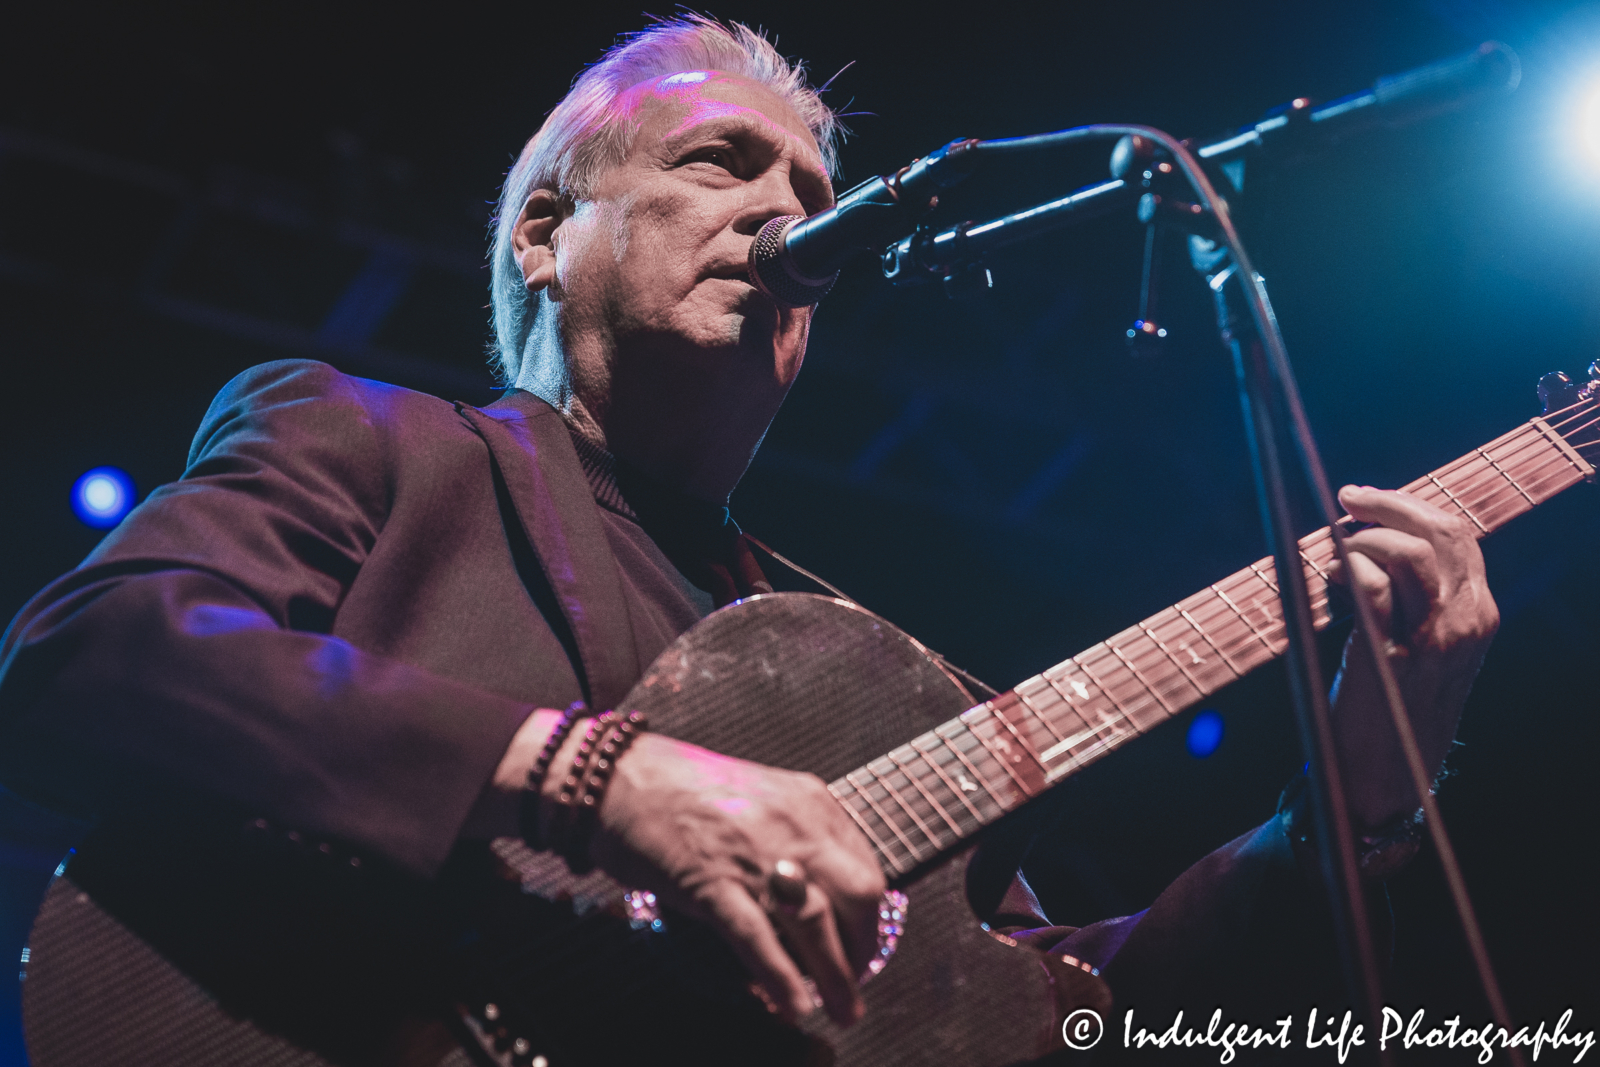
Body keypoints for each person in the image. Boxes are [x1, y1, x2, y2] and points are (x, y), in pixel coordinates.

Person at [0, 15, 1497, 1062]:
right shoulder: (371, 444)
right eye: (724, 161)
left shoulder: (871, 673)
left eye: (815, 194)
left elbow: (1063, 1015)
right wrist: (589, 776)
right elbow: (87, 657)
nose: (787, 215)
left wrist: (1359, 804)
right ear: (542, 233)